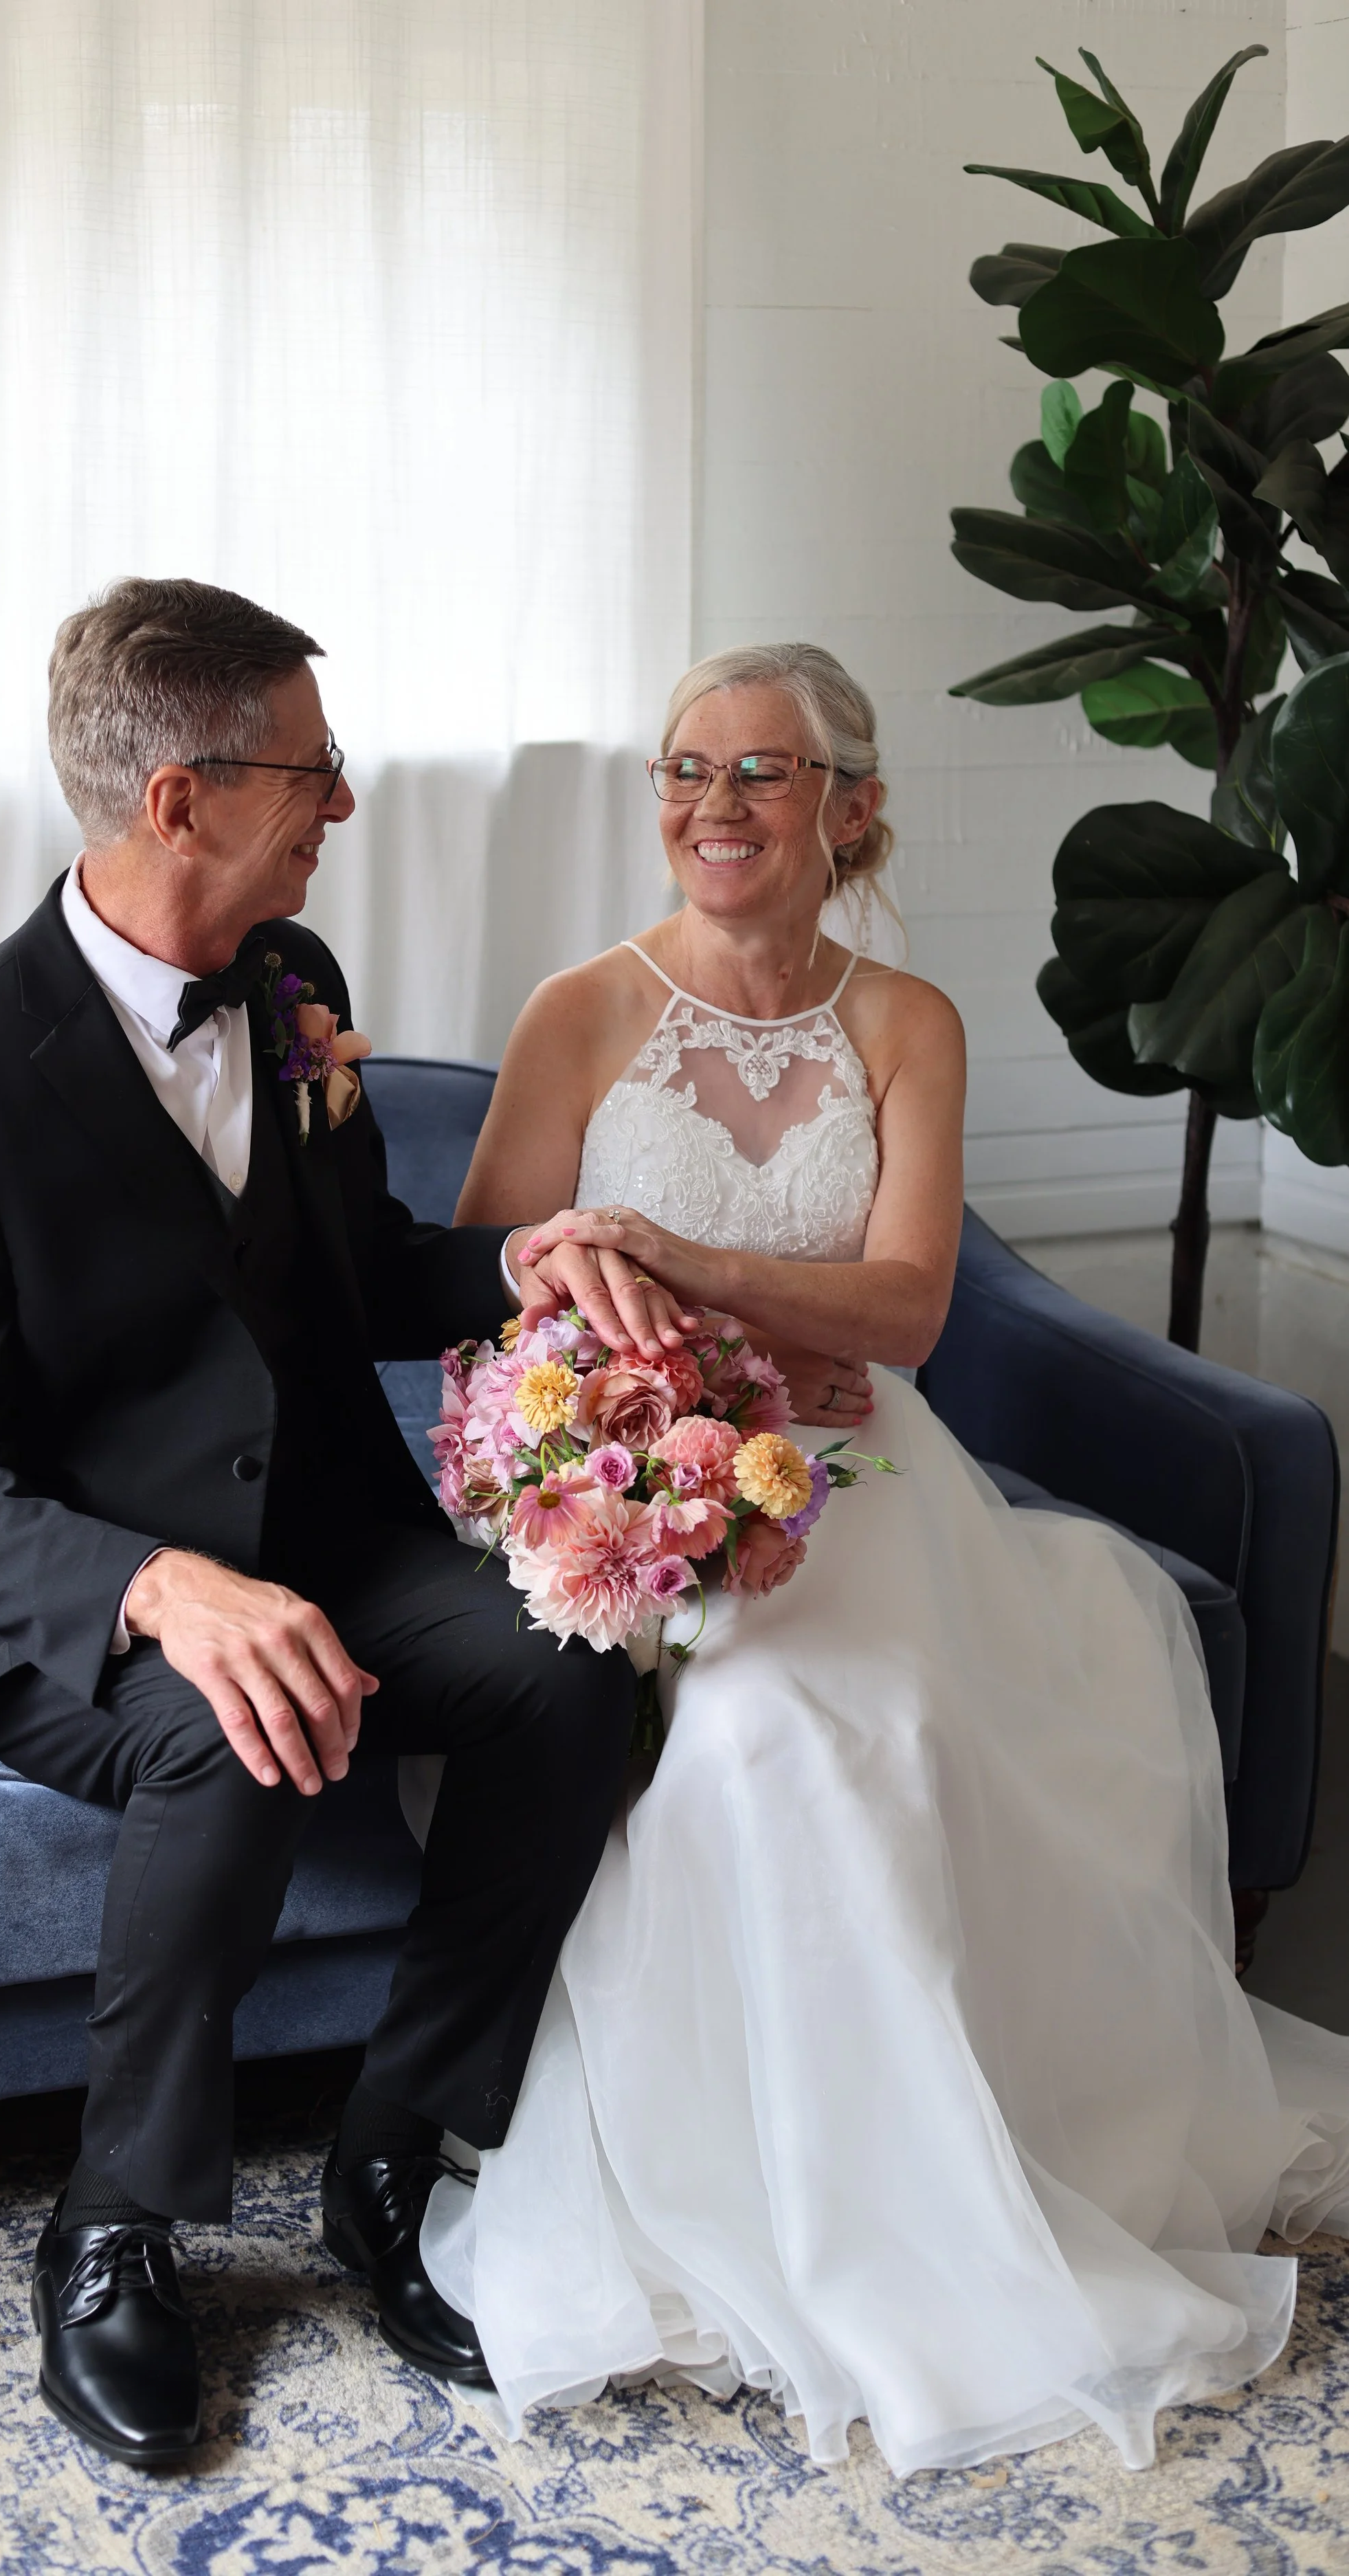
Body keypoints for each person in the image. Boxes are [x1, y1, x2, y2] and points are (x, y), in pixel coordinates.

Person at [0, 578, 670, 2471]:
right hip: (63, 1579)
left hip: (323, 1529)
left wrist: (524, 1259)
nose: (340, 802)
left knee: (571, 1655)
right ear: (179, 797)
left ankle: (393, 2142)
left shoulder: (290, 977)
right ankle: (115, 2223)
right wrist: (166, 1590)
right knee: (238, 1725)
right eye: (312, 770)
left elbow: (356, 1275)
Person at [426, 639, 1349, 2476]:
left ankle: (940, 2188)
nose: (710, 805)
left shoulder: (902, 1021)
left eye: (758, 771)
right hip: (646, 1473)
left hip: (865, 1476)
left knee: (877, 1729)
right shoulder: (580, 1010)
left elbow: (909, 1310)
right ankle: (764, 2194)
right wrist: (653, 1371)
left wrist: (683, 1267)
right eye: (682, 768)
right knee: (766, 1742)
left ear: (848, 803)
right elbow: (486, 1282)